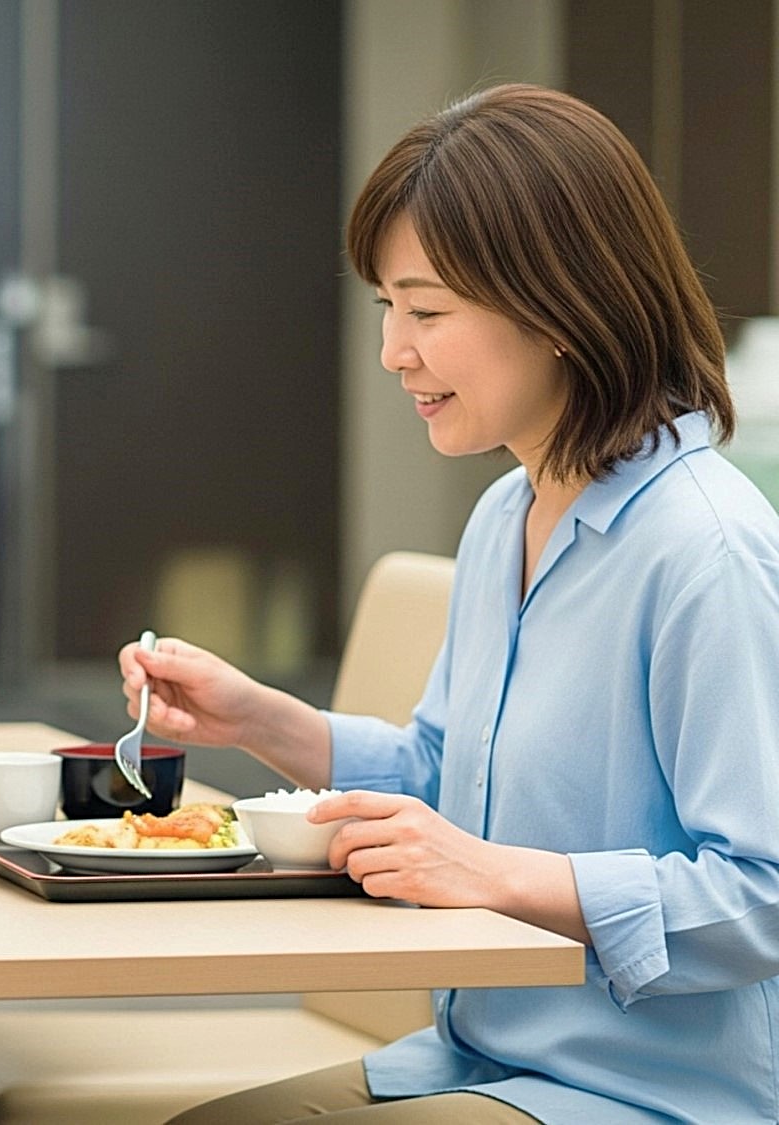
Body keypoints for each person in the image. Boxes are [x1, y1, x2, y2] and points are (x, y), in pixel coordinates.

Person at [133, 84, 779, 1124]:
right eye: (387, 309)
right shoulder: (503, 514)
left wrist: (501, 879)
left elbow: (762, 895)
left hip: (652, 1093)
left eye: (426, 312)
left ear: (561, 306)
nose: (394, 352)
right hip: (472, 1055)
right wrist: (255, 720)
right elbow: (447, 783)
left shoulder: (704, 551)